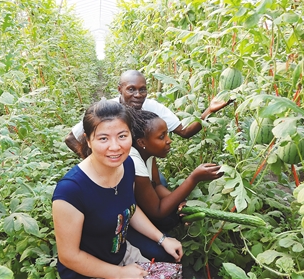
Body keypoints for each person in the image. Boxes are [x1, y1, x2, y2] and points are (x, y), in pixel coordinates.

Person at [52, 100, 183, 279]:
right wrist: (120, 273)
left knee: (172, 262)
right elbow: (69, 257)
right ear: (88, 140)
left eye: (122, 136)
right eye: (103, 138)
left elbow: (129, 208)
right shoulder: (70, 191)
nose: (115, 147)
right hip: (89, 271)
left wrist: (162, 238)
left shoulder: (127, 165)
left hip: (122, 254)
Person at [65, 69, 232, 159]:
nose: (138, 95)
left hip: (141, 164)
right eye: (131, 89)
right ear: (120, 89)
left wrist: (209, 110)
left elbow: (185, 131)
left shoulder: (152, 106)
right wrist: (93, 162)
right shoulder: (107, 109)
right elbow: (70, 138)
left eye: (142, 89)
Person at [126, 110, 224, 262]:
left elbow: (157, 185)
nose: (169, 140)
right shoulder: (133, 160)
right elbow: (157, 210)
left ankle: (156, 234)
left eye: (167, 134)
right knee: (167, 255)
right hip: (122, 222)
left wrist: (179, 203)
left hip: (135, 208)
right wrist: (194, 178)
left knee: (172, 216)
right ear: (141, 142)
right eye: (161, 136)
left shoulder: (147, 153)